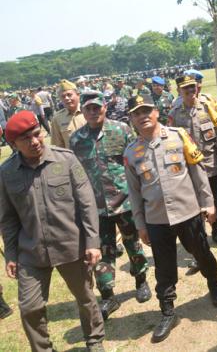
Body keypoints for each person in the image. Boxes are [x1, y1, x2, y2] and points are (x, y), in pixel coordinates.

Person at [123, 95, 217, 343]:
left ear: (156, 111)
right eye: (137, 113)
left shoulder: (179, 136)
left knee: (201, 252)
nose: (143, 115)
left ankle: (213, 283)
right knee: (164, 266)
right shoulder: (131, 152)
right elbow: (134, 194)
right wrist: (140, 225)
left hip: (188, 211)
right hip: (156, 219)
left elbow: (197, 172)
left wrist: (208, 203)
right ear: (132, 120)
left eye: (147, 110)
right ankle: (167, 311)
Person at [0, 111, 105, 351]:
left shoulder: (66, 159)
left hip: (71, 244)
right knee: (29, 307)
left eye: (37, 135)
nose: (35, 142)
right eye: (26, 139)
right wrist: (12, 255)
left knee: (86, 298)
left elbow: (86, 202)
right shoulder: (6, 173)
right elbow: (7, 219)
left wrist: (92, 242)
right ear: (13, 144)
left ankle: (94, 339)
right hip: (32, 251)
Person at [70, 91, 151, 320]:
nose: (94, 112)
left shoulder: (121, 130)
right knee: (102, 252)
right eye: (89, 109)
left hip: (124, 202)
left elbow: (135, 161)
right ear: (83, 111)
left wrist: (137, 194)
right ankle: (108, 296)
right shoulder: (76, 140)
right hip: (95, 207)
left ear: (104, 107)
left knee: (133, 243)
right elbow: (75, 174)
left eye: (97, 107)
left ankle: (141, 281)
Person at [168, 75, 217, 248]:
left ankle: (216, 230)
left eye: (193, 87)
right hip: (189, 172)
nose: (190, 90)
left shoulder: (208, 108)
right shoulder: (174, 114)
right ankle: (201, 239)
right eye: (186, 88)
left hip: (212, 166)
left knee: (215, 201)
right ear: (179, 91)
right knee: (194, 206)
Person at [51, 79, 86, 149]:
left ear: (78, 95)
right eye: (63, 96)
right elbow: (58, 145)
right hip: (71, 158)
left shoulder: (89, 111)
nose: (66, 98)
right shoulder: (57, 118)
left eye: (69, 95)